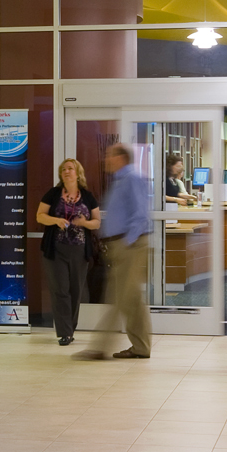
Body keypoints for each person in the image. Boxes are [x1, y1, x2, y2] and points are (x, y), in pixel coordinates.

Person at [78, 142, 151, 360]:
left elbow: (141, 215)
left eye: (109, 155)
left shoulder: (132, 179)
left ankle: (100, 347)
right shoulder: (119, 181)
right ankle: (141, 347)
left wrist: (127, 243)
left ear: (121, 158)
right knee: (132, 300)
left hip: (131, 246)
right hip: (122, 246)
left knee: (118, 297)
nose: (105, 159)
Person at [35, 158, 100, 347]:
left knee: (75, 290)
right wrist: (55, 221)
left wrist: (84, 223)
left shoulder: (87, 196)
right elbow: (39, 216)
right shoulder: (53, 194)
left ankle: (70, 328)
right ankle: (64, 332)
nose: (66, 172)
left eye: (70, 169)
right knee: (60, 290)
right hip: (55, 249)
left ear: (78, 173)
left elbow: (96, 222)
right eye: (63, 169)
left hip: (79, 250)